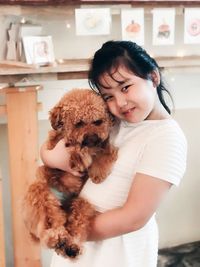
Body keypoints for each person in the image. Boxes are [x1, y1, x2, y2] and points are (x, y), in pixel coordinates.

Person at [41, 40, 187, 267]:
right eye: (108, 96)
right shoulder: (111, 122)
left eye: (126, 87)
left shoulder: (166, 138)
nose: (120, 102)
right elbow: (57, 138)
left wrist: (67, 229)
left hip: (115, 254)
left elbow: (133, 218)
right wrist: (49, 157)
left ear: (153, 77)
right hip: (78, 251)